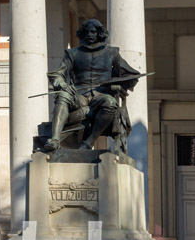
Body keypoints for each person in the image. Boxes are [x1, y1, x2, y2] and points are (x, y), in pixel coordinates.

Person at [43, 19, 140, 152]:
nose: (90, 34)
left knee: (110, 102)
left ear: (99, 33)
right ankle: (54, 139)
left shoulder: (112, 53)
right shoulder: (73, 54)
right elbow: (57, 74)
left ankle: (89, 142)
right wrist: (62, 84)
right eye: (87, 31)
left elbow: (132, 76)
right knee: (63, 96)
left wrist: (117, 82)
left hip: (100, 96)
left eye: (93, 31)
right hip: (78, 96)